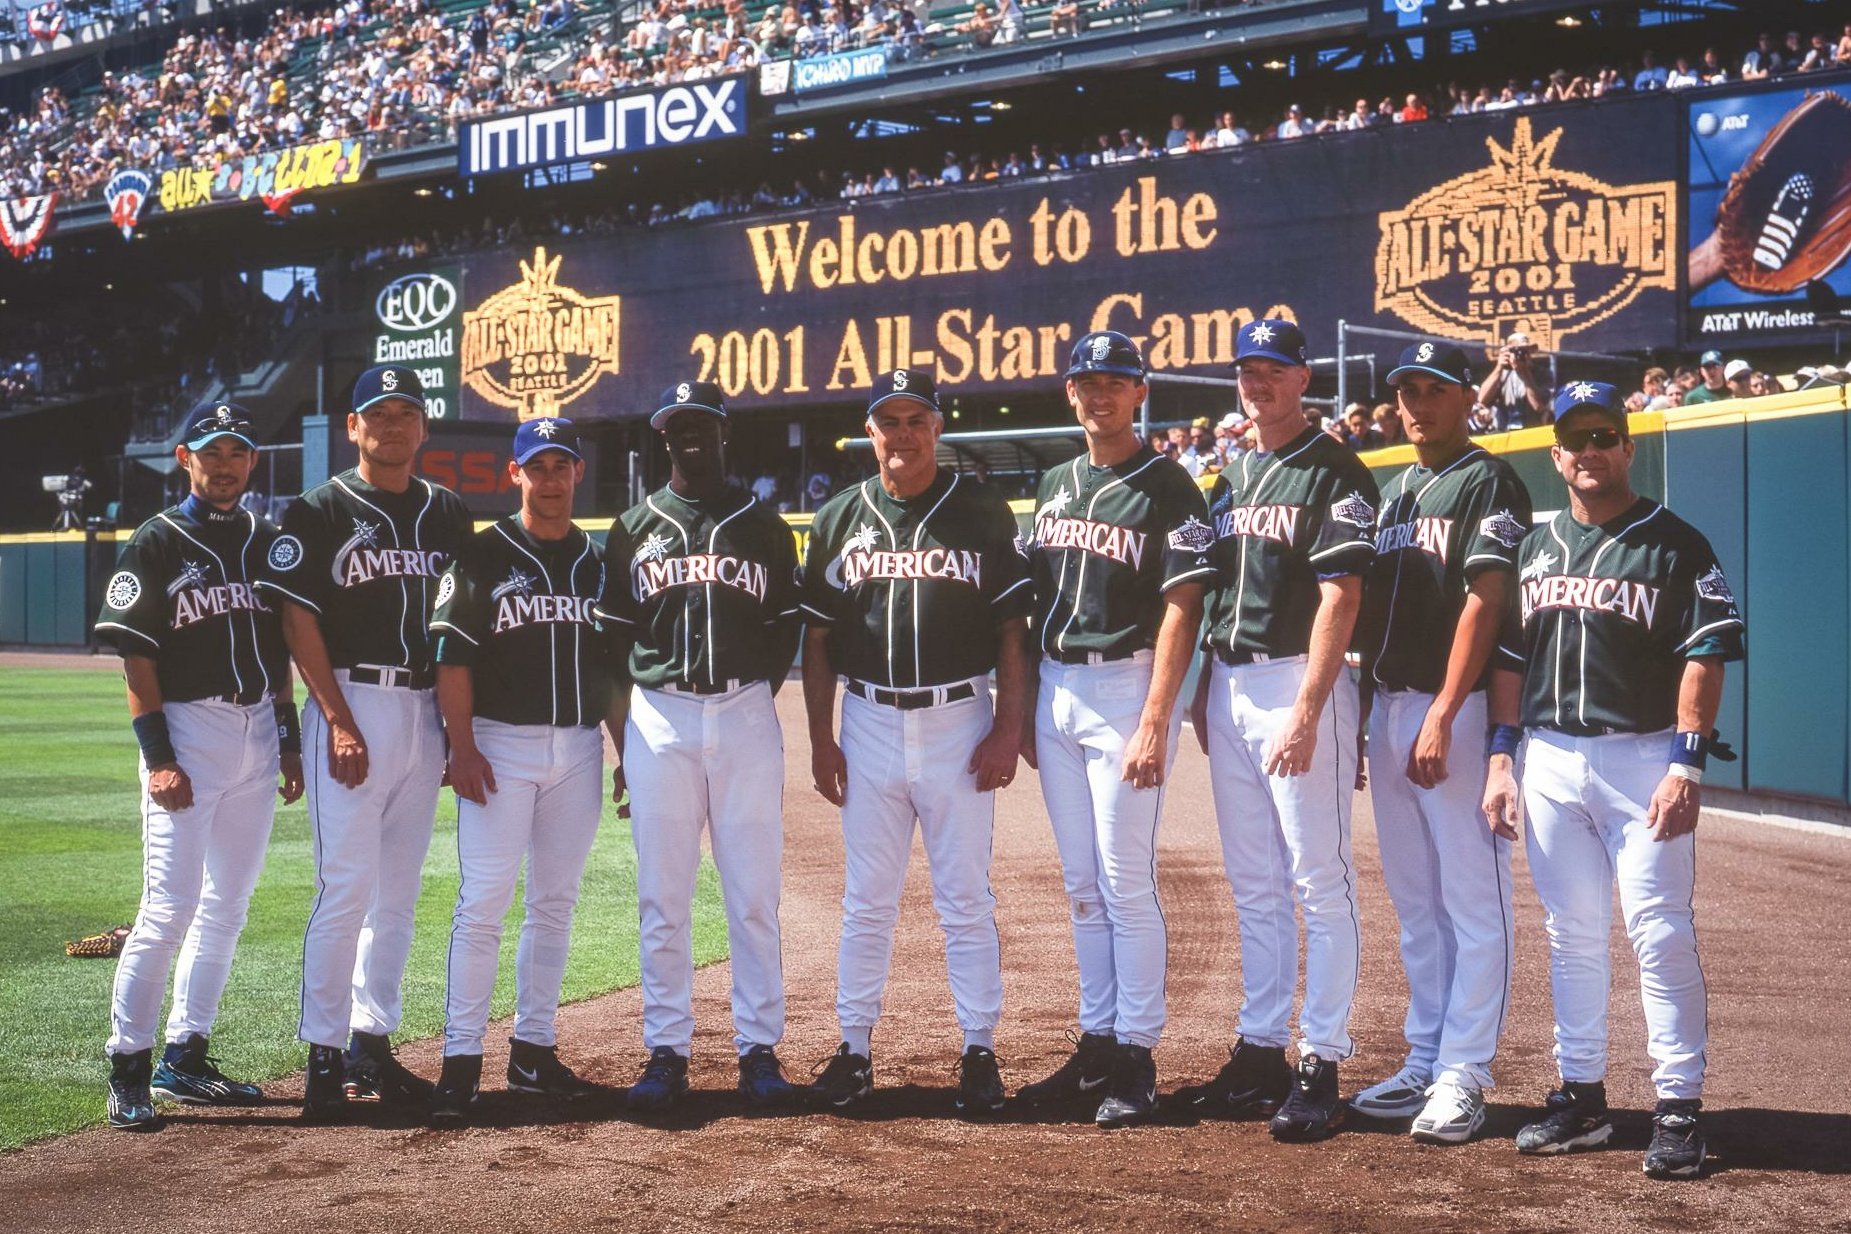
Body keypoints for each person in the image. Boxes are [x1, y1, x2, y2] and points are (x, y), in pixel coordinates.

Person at [1484, 380, 1743, 1180]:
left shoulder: (1675, 541)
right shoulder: (1533, 546)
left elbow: (1704, 652)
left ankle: (1677, 1107)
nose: (1589, 451)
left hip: (1641, 757)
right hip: (1550, 757)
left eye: (1604, 436)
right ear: (1554, 454)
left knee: (1657, 931)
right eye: (1575, 439)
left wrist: (1685, 760)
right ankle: (1581, 1095)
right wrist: (1500, 757)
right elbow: (1509, 660)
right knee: (1569, 934)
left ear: (1627, 447)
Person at [802, 368, 1032, 1116]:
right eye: (888, 420)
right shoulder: (838, 516)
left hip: (957, 718)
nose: (902, 434)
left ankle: (978, 1049)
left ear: (937, 428)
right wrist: (820, 739)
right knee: (866, 900)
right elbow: (817, 637)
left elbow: (1010, 630)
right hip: (866, 719)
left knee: (963, 898)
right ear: (868, 431)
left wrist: (1006, 726)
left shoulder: (980, 510)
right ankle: (853, 1048)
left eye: (915, 420)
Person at [1177, 318, 1379, 1142]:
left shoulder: (1335, 470)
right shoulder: (1234, 474)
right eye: (1246, 370)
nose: (1256, 383)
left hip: (1299, 680)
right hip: (1228, 681)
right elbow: (1211, 590)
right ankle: (1260, 1049)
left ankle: (1320, 1061)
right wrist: (1199, 689)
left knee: (1316, 881)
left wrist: (1307, 706)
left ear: (1303, 378)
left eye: (1272, 369)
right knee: (1252, 881)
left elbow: (1341, 596)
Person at [257, 365, 473, 1121]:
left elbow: (460, 629)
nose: (391, 425)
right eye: (377, 414)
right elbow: (295, 621)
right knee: (345, 887)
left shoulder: (447, 511)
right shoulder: (317, 510)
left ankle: (370, 1045)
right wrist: (339, 720)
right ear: (354, 427)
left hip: (421, 709)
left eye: (405, 413)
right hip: (352, 703)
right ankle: (322, 1058)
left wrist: (453, 726)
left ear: (422, 428)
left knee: (400, 895)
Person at [1014, 331, 1212, 1128]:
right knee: (1080, 884)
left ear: (1140, 392)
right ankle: (1096, 1042)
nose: (1099, 394)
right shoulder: (1055, 481)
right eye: (1086, 381)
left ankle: (1136, 1053)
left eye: (1114, 381)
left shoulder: (1169, 486)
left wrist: (1155, 718)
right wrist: (1024, 704)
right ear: (1070, 393)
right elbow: (1031, 603)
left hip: (1124, 686)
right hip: (1056, 687)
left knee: (1124, 880)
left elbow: (1182, 605)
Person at [94, 404, 304, 1130]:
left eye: (237, 453)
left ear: (251, 462)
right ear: (186, 457)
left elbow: (281, 657)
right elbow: (136, 658)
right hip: (187, 729)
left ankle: (185, 1055)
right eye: (212, 452)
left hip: (254, 733)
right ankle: (127, 1066)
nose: (224, 465)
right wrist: (159, 759)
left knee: (228, 907)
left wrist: (289, 742)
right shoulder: (156, 541)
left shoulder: (268, 542)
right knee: (169, 909)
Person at [596, 382, 804, 1113]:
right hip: (658, 717)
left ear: (722, 434)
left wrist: (751, 695)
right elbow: (611, 645)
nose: (690, 437)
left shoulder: (764, 525)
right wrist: (626, 741)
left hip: (744, 708)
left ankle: (759, 1050)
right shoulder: (631, 526)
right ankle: (666, 1051)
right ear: (665, 438)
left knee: (752, 892)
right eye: (677, 427)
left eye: (702, 426)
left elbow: (784, 629)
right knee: (663, 896)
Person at [1349, 344, 1532, 1143]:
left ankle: (1464, 1072)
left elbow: (1486, 602)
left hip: (1445, 710)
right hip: (1391, 703)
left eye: (1434, 389)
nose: (1416, 403)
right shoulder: (1394, 493)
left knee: (1470, 897)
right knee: (1416, 903)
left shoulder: (1487, 478)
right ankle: (1424, 1055)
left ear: (1468, 399)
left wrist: (1447, 709)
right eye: (1406, 390)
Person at [423, 416, 613, 1127]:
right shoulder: (482, 555)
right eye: (538, 467)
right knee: (483, 903)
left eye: (562, 465)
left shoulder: (597, 561)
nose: (551, 478)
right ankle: (461, 1061)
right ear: (516, 475)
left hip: (580, 747)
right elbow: (452, 661)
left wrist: (624, 752)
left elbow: (612, 672)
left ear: (577, 473)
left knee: (555, 904)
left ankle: (533, 1049)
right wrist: (461, 746)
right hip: (499, 747)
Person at [1475, 332, 1549, 429]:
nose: (1523, 355)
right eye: (1518, 352)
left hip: (1530, 431)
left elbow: (1538, 406)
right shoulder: (1501, 375)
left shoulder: (1542, 374)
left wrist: (1525, 373)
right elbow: (1482, 399)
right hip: (1503, 433)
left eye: (1526, 351)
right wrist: (1499, 367)